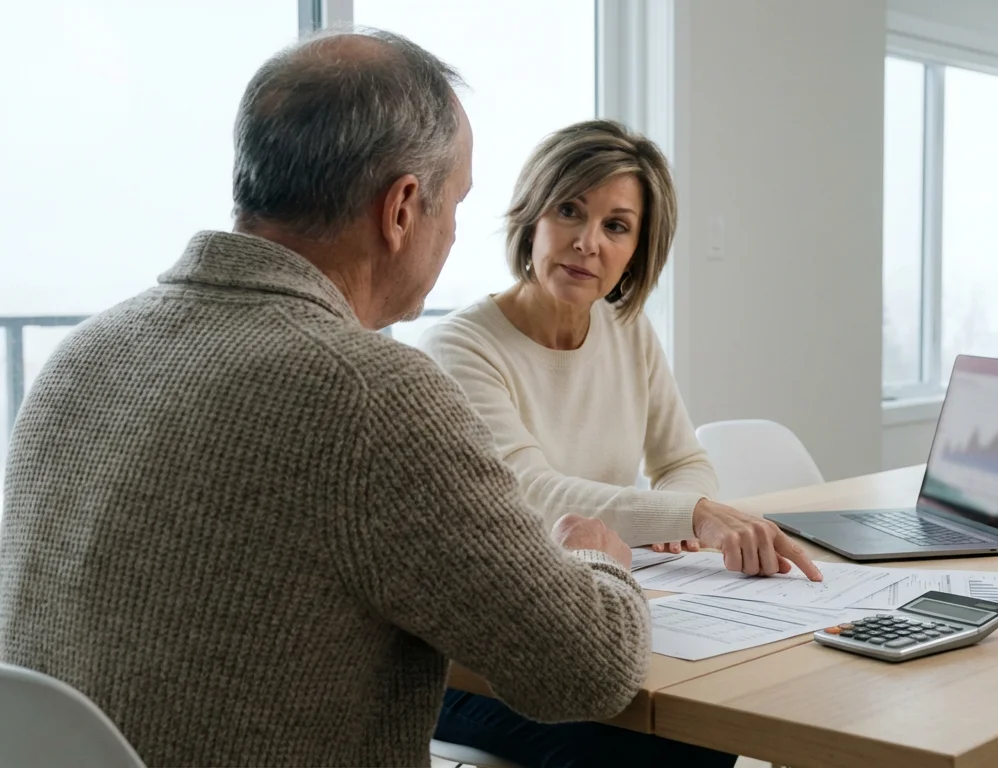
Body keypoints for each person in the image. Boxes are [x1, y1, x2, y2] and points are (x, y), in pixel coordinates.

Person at [0, 29, 652, 768]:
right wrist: (597, 560)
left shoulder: (81, 357)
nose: (454, 232)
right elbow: (587, 669)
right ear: (402, 207)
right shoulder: (371, 395)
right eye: (456, 202)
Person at [419, 120, 819, 766]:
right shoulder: (461, 347)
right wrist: (688, 515)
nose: (586, 244)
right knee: (662, 747)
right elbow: (532, 492)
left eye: (616, 225)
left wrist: (679, 513)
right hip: (469, 661)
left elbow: (682, 460)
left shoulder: (627, 332)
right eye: (569, 210)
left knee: (719, 722)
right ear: (532, 217)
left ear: (640, 247)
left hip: (586, 620)